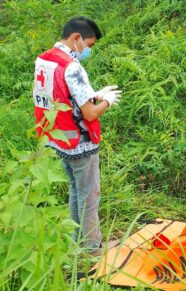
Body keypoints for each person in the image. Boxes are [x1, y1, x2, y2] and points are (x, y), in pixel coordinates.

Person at [32, 16, 121, 253]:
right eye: (89, 45)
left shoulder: (44, 59)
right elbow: (90, 114)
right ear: (76, 38)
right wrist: (107, 102)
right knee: (89, 197)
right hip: (80, 142)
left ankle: (76, 241)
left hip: (60, 138)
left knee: (76, 190)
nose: (88, 50)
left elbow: (61, 94)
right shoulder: (72, 66)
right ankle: (92, 250)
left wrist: (95, 93)